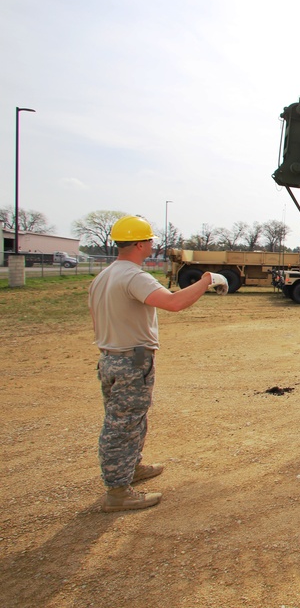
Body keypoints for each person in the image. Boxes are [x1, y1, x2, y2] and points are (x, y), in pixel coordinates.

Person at [88, 215, 229, 512]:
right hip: (131, 360)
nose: (152, 245)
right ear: (140, 244)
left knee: (131, 419)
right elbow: (173, 303)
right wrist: (206, 281)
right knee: (123, 425)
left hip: (111, 357)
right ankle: (117, 492)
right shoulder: (133, 276)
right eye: (150, 240)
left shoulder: (105, 275)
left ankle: (130, 468)